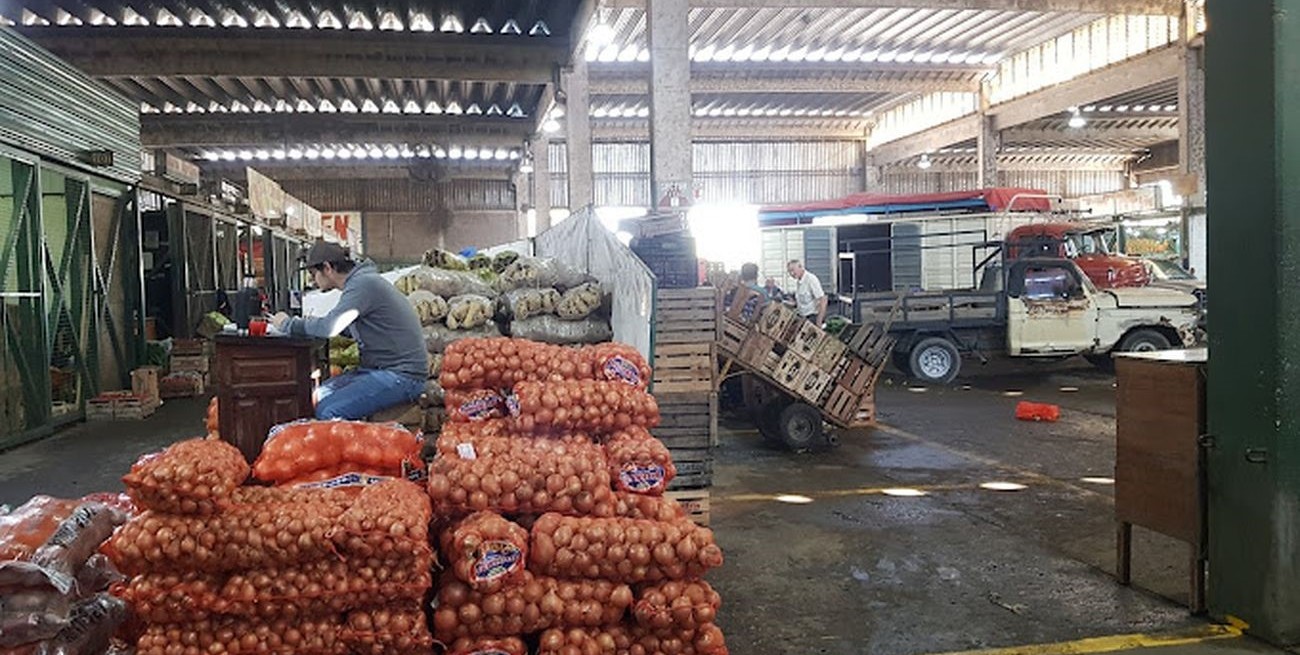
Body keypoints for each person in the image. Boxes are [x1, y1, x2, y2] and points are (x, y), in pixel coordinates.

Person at [270, 242, 428, 420]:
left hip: (401, 376)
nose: (313, 281)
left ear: (328, 268)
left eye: (313, 274)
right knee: (316, 395)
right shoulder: (362, 282)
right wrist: (314, 324)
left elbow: (331, 327)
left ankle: (350, 447)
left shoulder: (363, 284)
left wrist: (287, 324)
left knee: (329, 411)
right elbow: (348, 327)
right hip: (379, 370)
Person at [786, 259, 827, 325]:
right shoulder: (799, 281)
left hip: (812, 318)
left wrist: (819, 321)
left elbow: (823, 300)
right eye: (789, 271)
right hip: (803, 317)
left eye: (793, 270)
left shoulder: (811, 279)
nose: (791, 273)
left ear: (800, 267)